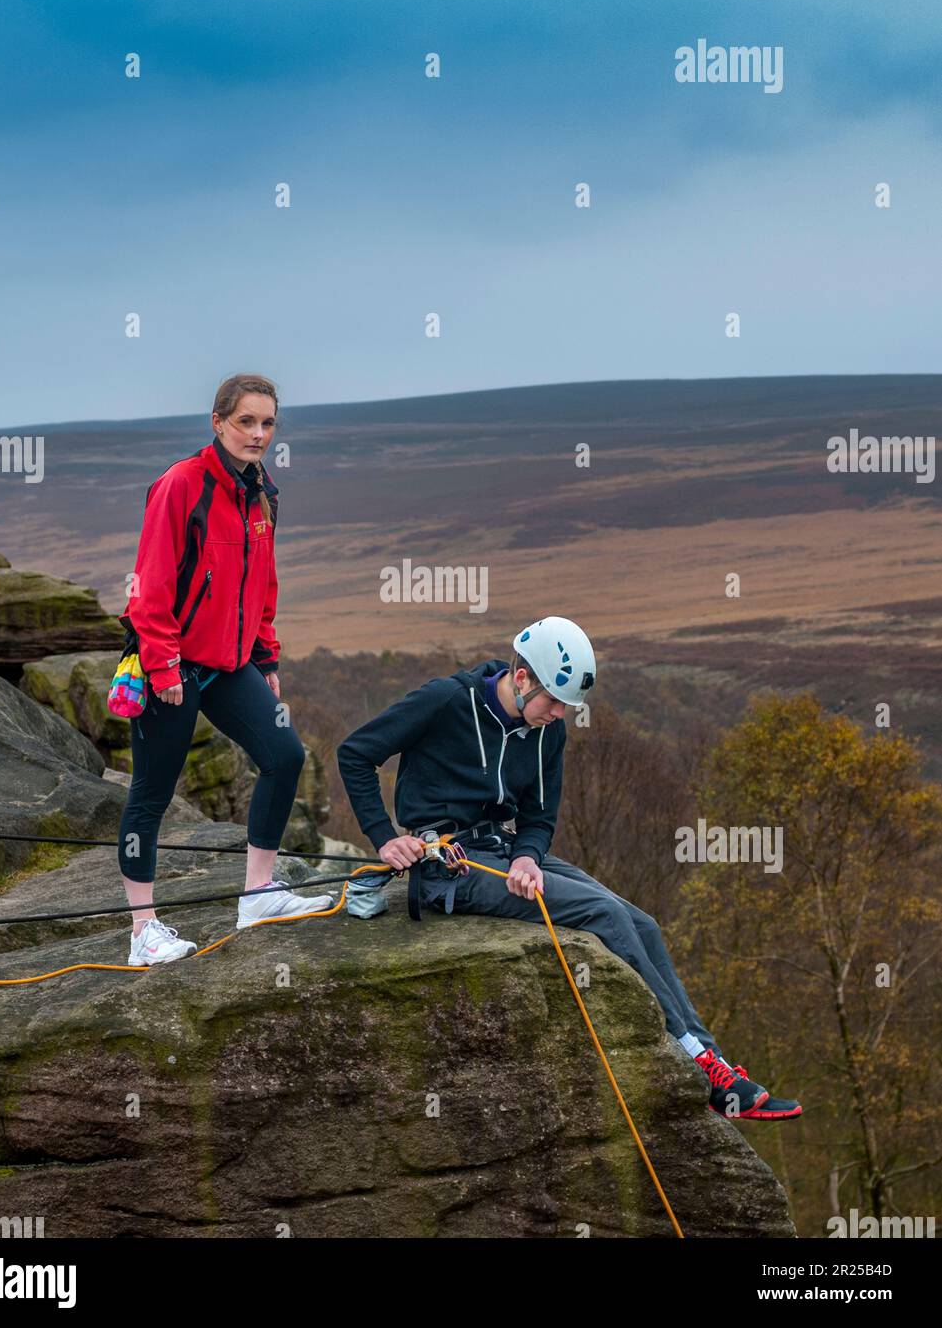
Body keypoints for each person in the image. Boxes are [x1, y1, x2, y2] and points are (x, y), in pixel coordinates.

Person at [337, 616, 802, 1120]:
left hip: (502, 848)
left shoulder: (546, 732)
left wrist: (526, 858)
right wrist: (385, 839)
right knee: (603, 913)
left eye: (566, 706)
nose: (558, 714)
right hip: (450, 866)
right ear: (521, 679)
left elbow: (538, 817)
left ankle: (713, 1059)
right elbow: (356, 754)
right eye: (553, 701)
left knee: (642, 923)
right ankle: (702, 1068)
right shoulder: (447, 701)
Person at [115, 373, 332, 965]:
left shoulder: (263, 494)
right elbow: (149, 588)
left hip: (230, 664)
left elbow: (263, 584)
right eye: (246, 422)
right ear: (217, 422)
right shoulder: (181, 486)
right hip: (172, 664)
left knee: (285, 756)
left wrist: (265, 659)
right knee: (152, 793)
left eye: (267, 424)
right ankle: (143, 932)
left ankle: (258, 894)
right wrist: (162, 668)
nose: (257, 434)